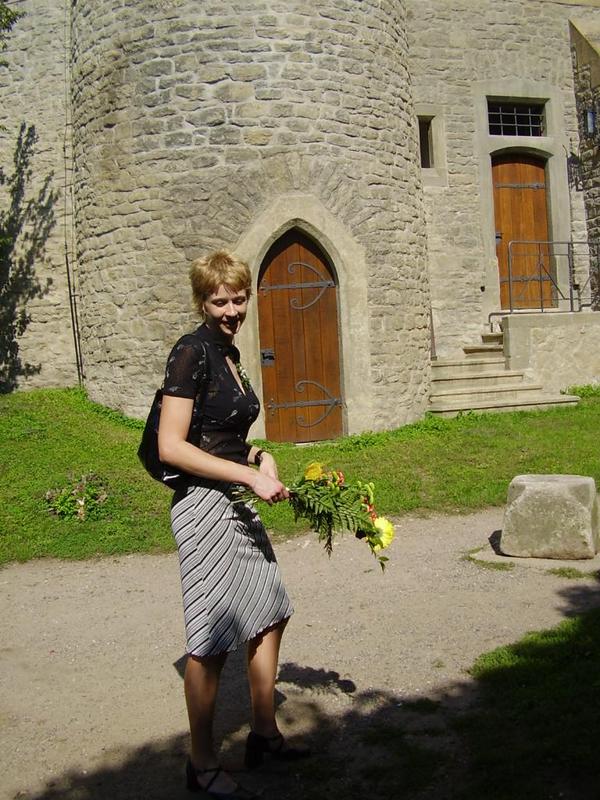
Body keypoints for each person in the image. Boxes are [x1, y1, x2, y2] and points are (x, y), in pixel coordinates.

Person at [157, 250, 308, 799]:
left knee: (270, 609)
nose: (231, 311)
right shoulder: (190, 352)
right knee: (213, 636)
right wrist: (247, 477)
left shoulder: (228, 354)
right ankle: (201, 765)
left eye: (239, 299)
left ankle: (263, 734)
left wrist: (260, 457)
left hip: (234, 495)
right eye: (220, 301)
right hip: (202, 504)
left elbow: (223, 434)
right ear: (202, 302)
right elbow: (171, 446)